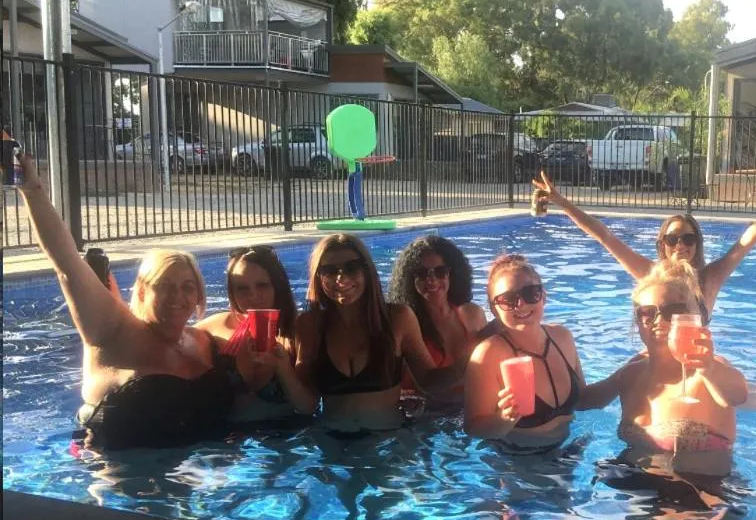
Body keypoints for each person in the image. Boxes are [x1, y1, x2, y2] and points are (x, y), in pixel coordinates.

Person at [14, 151, 233, 450]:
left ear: (199, 294)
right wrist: (32, 191)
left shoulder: (204, 340)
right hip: (124, 479)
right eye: (164, 286)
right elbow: (66, 263)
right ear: (142, 291)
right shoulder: (112, 331)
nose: (177, 297)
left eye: (187, 287)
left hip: (204, 474)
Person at [531, 166, 756, 319]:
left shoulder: (709, 279)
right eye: (673, 238)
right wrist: (561, 202)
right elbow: (604, 236)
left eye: (688, 238)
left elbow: (750, 236)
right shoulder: (650, 276)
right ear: (663, 244)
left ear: (697, 243)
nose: (681, 244)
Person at [583, 260, 748, 477]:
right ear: (637, 320)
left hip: (706, 499)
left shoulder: (707, 374)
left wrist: (707, 367)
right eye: (647, 312)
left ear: (693, 318)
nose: (659, 320)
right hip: (636, 492)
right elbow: (579, 401)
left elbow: (738, 395)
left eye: (673, 311)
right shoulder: (631, 375)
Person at [293, 234, 463, 431]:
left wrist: (473, 359)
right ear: (318, 277)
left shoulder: (398, 318)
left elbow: (429, 382)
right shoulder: (310, 325)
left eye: (351, 267)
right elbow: (306, 402)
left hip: (389, 442)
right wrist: (278, 362)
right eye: (329, 270)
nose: (341, 278)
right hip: (332, 443)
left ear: (367, 270)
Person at [464, 254, 586, 453]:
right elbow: (473, 428)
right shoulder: (488, 354)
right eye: (508, 299)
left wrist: (627, 375)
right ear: (494, 309)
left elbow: (584, 398)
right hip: (519, 461)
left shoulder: (562, 337)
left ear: (543, 296)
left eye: (530, 293)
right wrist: (504, 419)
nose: (521, 305)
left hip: (570, 450)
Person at [196, 245, 306, 424]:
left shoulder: (297, 333)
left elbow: (308, 407)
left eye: (262, 285)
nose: (253, 296)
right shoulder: (214, 329)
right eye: (242, 288)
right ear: (232, 292)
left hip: (285, 440)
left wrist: (283, 368)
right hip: (229, 443)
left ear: (277, 286)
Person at [387, 235, 487, 412]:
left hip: (466, 411)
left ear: (452, 274)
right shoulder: (406, 324)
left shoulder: (473, 314)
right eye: (422, 273)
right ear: (410, 279)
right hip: (426, 418)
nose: (431, 280)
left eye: (440, 272)